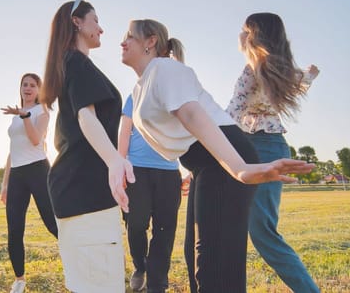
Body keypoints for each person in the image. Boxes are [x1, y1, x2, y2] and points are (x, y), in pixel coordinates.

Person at [120, 19, 315, 292]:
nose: (122, 42)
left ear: (150, 41)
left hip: (223, 159)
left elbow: (191, 114)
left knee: (215, 264)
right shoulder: (143, 85)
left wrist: (239, 169)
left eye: (129, 36)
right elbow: (185, 131)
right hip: (205, 163)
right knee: (195, 256)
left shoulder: (165, 68)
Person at [40, 0, 135, 292]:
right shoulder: (76, 62)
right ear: (77, 22)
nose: (102, 29)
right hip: (86, 192)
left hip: (78, 190)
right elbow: (86, 116)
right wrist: (114, 160)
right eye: (95, 20)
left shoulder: (71, 63)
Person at [226, 12, 320, 292]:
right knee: (235, 226)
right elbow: (304, 79)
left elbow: (231, 113)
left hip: (258, 147)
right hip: (261, 145)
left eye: (244, 30)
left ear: (254, 36)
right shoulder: (277, 69)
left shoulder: (252, 71)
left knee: (263, 233)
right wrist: (312, 74)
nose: (240, 35)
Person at [119, 58, 183, 292]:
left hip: (168, 171)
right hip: (136, 169)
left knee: (164, 231)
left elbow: (187, 132)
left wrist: (190, 170)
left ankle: (157, 285)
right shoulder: (133, 97)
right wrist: (120, 164)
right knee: (135, 224)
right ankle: (140, 265)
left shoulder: (177, 98)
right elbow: (125, 132)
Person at [0, 73, 58, 293]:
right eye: (24, 84)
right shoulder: (16, 117)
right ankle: (20, 279)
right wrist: (5, 183)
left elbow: (36, 140)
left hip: (38, 170)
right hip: (17, 174)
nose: (28, 88)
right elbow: (12, 152)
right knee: (14, 228)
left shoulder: (41, 111)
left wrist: (25, 116)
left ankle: (80, 263)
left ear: (39, 90)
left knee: (53, 224)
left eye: (33, 85)